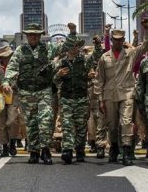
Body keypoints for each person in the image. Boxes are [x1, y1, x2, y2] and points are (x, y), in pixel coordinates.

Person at [95, 27, 148, 166]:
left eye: (120, 40)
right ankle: (113, 147)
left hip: (127, 94)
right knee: (112, 125)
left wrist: (147, 29)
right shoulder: (104, 57)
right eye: (115, 40)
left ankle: (126, 151)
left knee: (125, 122)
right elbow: (99, 80)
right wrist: (100, 100)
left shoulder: (130, 53)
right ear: (112, 41)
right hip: (109, 95)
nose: (118, 42)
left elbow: (145, 46)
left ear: (124, 40)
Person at [3, 23, 54, 165]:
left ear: (40, 36)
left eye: (36, 34)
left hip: (44, 90)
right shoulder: (20, 50)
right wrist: (6, 82)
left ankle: (45, 150)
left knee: (45, 120)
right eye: (30, 34)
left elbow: (66, 48)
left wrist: (73, 33)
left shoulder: (48, 49)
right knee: (31, 123)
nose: (33, 36)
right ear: (27, 36)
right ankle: (34, 151)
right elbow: (12, 67)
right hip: (26, 92)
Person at [54, 32, 102, 164]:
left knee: (81, 127)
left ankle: (80, 149)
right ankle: (68, 150)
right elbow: (54, 80)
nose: (75, 48)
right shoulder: (61, 63)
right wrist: (58, 74)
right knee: (67, 125)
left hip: (81, 98)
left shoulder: (84, 61)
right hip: (66, 98)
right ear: (68, 47)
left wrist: (97, 44)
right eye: (72, 46)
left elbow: (97, 56)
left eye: (76, 46)